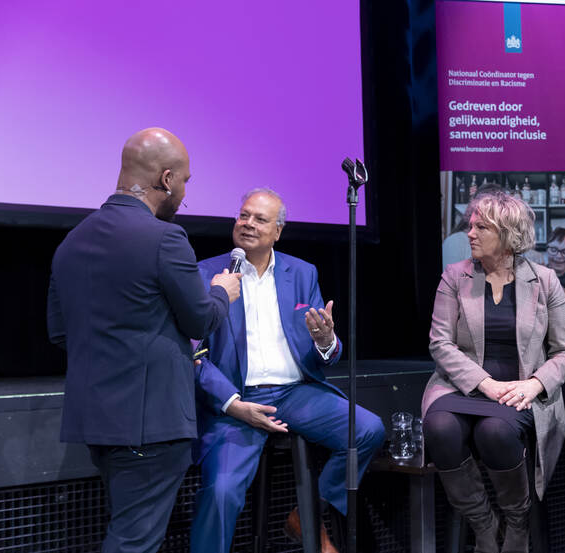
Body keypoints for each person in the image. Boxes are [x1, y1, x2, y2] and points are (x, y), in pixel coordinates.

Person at [47, 128, 242, 553]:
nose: (185, 193)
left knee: (129, 532)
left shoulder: (71, 242)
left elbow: (60, 333)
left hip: (97, 423)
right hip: (150, 426)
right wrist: (222, 291)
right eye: (186, 181)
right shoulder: (165, 238)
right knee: (134, 542)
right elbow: (201, 319)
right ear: (167, 179)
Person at [190, 188, 386, 553]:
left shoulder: (301, 272)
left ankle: (308, 513)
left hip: (294, 393)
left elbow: (325, 352)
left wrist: (326, 340)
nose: (247, 224)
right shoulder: (205, 274)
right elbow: (194, 355)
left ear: (277, 231)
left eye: (259, 219)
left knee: (367, 430)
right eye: (243, 215)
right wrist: (233, 404)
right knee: (220, 491)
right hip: (236, 399)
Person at [423, 192, 565, 553]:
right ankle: (485, 526)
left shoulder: (544, 281)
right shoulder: (454, 277)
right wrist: (485, 384)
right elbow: (440, 344)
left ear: (508, 233)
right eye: (470, 225)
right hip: (459, 387)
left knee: (495, 432)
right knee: (439, 428)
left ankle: (518, 522)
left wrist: (535, 384)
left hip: (519, 391)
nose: (470, 234)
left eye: (481, 227)